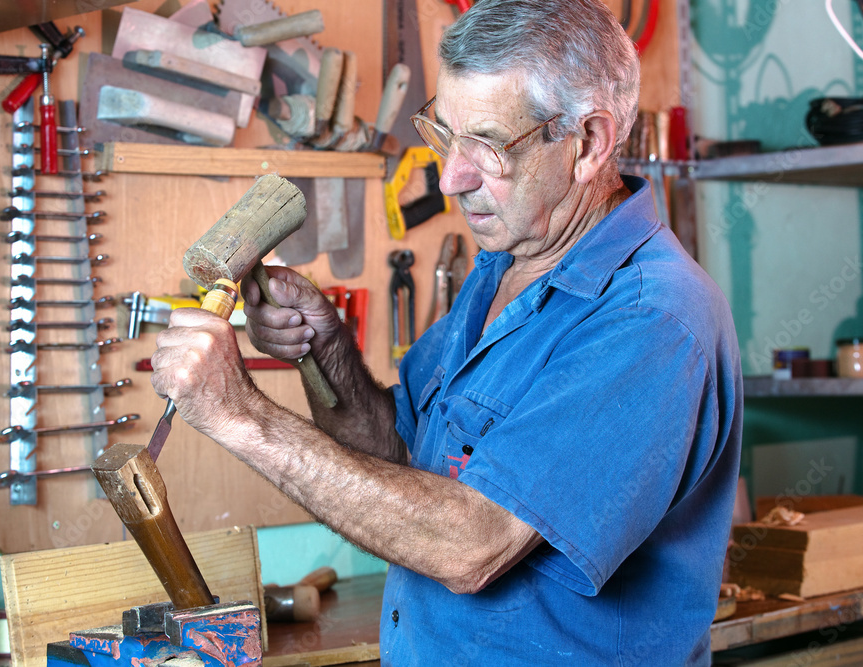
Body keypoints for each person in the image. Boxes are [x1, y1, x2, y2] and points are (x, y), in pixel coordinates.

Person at [151, 0, 743, 663]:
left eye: (487, 145)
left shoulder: (650, 319)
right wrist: (326, 348)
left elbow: (472, 544)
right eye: (445, 133)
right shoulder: (501, 271)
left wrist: (238, 415)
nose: (451, 177)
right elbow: (401, 457)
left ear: (588, 143)